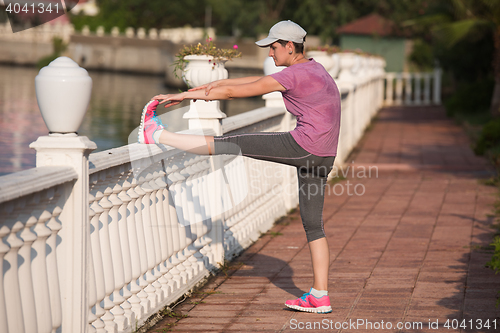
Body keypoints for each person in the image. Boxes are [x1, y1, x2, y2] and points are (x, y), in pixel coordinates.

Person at [139, 20, 341, 314]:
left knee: (231, 142)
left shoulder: (294, 75)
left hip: (305, 147)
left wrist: (183, 95)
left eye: (273, 47)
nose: (270, 54)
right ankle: (320, 296)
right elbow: (239, 84)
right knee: (313, 224)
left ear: (289, 46)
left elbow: (237, 93)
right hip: (325, 155)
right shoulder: (315, 69)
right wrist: (190, 93)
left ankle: (156, 135)